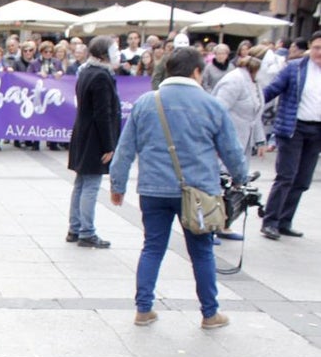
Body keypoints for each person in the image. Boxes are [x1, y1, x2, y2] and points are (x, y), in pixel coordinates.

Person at [110, 47, 248, 329]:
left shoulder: (147, 102)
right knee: (202, 252)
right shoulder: (211, 105)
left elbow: (125, 149)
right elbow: (232, 151)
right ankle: (210, 313)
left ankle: (143, 309)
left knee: (152, 247)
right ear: (197, 71)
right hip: (198, 192)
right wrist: (241, 177)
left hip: (153, 189)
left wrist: (118, 184)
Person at [259, 31, 321, 240]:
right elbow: (272, 90)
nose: (319, 53)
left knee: (303, 179)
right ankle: (270, 221)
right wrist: (255, 106)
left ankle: (285, 221)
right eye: (316, 48)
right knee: (286, 176)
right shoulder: (295, 68)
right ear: (309, 48)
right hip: (293, 128)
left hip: (317, 131)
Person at [66, 36, 121, 248]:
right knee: (90, 184)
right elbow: (103, 113)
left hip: (84, 133)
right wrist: (109, 144)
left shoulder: (87, 72)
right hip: (94, 138)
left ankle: (76, 227)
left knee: (81, 183)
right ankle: (86, 231)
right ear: (103, 54)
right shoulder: (100, 76)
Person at [212, 48, 268, 241]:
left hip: (243, 141)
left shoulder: (254, 82)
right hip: (226, 141)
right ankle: (210, 226)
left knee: (236, 185)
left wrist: (260, 140)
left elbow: (256, 114)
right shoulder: (234, 80)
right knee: (219, 183)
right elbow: (217, 110)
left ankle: (224, 224)